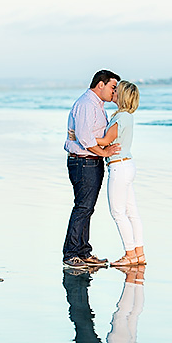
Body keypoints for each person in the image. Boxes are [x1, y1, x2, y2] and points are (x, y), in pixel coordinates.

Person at [62, 70, 122, 269]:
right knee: (82, 207)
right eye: (113, 87)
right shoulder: (87, 104)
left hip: (89, 161)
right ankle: (71, 254)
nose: (115, 92)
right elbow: (85, 138)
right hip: (83, 162)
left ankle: (83, 252)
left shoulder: (97, 105)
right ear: (101, 84)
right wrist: (105, 153)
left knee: (87, 208)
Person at [95, 80, 146, 267]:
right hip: (128, 165)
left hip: (119, 167)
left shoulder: (120, 117)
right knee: (132, 212)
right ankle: (139, 254)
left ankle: (129, 254)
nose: (114, 92)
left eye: (117, 91)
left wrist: (82, 136)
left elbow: (106, 140)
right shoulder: (127, 116)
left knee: (118, 213)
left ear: (122, 95)